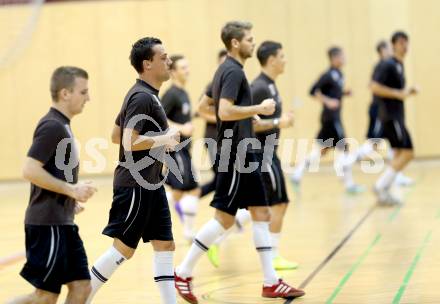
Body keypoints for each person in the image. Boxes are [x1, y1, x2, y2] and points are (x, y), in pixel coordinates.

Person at [174, 21, 305, 303]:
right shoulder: (232, 71)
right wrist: (257, 108)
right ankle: (182, 273)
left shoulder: (226, 71)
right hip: (234, 154)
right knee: (224, 218)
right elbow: (223, 109)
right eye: (248, 39)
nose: (252, 43)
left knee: (261, 213)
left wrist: (246, 115)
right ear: (235, 43)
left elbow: (203, 107)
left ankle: (271, 282)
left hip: (244, 152)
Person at [87, 37, 180, 304]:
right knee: (123, 250)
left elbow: (116, 134)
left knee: (165, 245)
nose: (169, 61)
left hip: (151, 183)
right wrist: (164, 139)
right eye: (163, 57)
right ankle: (82, 298)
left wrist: (159, 141)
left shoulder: (145, 94)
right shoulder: (141, 97)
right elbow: (127, 142)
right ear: (147, 63)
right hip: (135, 184)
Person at [206, 41, 299, 271]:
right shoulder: (259, 87)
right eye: (282, 55)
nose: (285, 60)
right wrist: (279, 122)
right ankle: (272, 256)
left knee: (265, 206)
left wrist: (279, 122)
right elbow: (250, 124)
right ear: (271, 60)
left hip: (269, 152)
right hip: (260, 153)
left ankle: (218, 238)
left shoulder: (271, 86)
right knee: (277, 204)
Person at [8, 66, 97, 304]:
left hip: (61, 221)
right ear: (65, 93)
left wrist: (69, 201)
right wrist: (71, 190)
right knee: (45, 297)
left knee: (81, 287)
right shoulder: (52, 126)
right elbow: (29, 169)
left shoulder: (63, 125)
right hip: (48, 225)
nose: (88, 98)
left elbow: (49, 172)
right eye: (83, 92)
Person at [291, 46, 363, 194]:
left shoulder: (339, 74)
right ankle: (348, 183)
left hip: (331, 118)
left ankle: (297, 173)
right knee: (345, 148)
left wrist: (344, 93)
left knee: (321, 151)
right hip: (331, 118)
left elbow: (334, 91)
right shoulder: (328, 74)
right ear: (334, 58)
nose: (344, 59)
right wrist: (328, 101)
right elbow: (313, 90)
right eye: (342, 56)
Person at [371, 31, 418, 205]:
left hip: (396, 115)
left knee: (399, 153)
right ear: (393, 45)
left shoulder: (399, 64)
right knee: (408, 153)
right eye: (400, 43)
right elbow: (374, 86)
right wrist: (398, 93)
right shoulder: (388, 64)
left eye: (406, 42)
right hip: (390, 116)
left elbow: (396, 92)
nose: (404, 46)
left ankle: (385, 190)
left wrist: (406, 92)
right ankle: (380, 186)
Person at [161, 54, 200, 241]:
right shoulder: (171, 95)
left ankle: (188, 230)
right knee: (190, 189)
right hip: (174, 149)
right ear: (173, 72)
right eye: (183, 68)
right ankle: (189, 232)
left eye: (188, 67)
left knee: (180, 191)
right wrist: (181, 127)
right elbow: (158, 119)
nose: (188, 71)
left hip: (184, 148)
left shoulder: (183, 93)